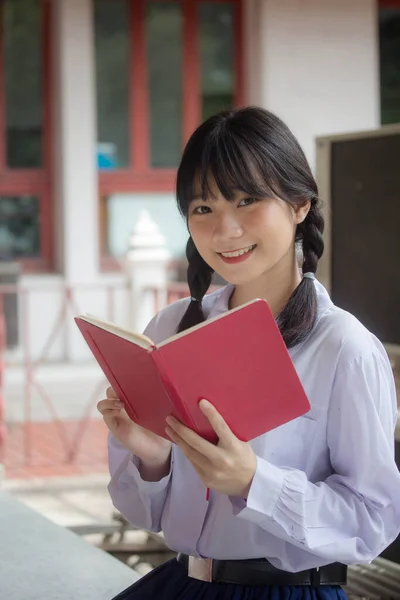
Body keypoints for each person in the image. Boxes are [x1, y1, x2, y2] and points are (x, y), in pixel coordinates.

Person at [97, 107, 400, 600]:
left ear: (300, 204)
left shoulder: (344, 347)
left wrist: (255, 482)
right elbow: (143, 514)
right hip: (182, 583)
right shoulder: (170, 328)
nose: (226, 230)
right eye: (203, 208)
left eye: (247, 200)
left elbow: (373, 520)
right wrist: (152, 459)